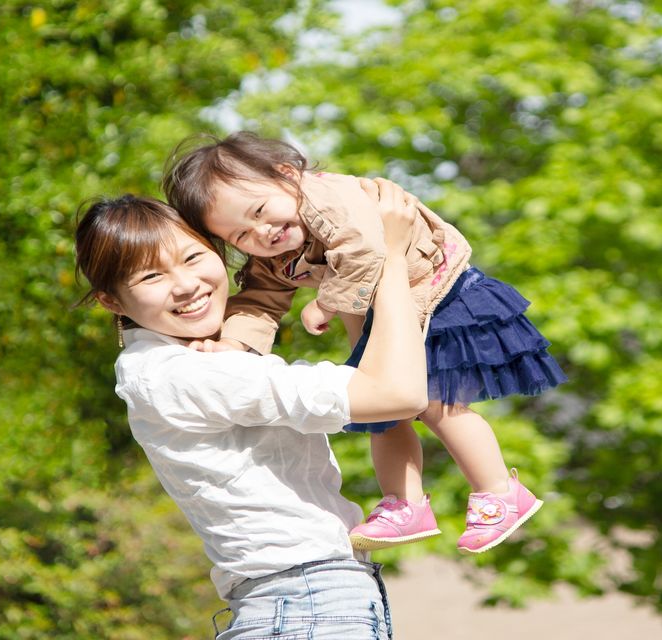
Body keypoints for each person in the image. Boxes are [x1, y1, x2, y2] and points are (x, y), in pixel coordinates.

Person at [162, 131, 568, 554]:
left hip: (441, 294)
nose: (262, 232)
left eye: (260, 211)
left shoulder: (327, 197)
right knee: (383, 412)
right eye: (241, 236)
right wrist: (234, 345)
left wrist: (326, 303)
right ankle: (404, 503)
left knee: (437, 404)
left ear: (287, 175)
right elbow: (260, 300)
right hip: (393, 317)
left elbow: (365, 247)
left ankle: (499, 492)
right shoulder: (277, 250)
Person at [74, 179, 424, 639]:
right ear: (112, 300)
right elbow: (399, 394)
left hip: (304, 603)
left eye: (193, 257)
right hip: (307, 606)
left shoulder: (192, 362)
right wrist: (390, 255)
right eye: (151, 277)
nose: (186, 286)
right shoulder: (186, 373)